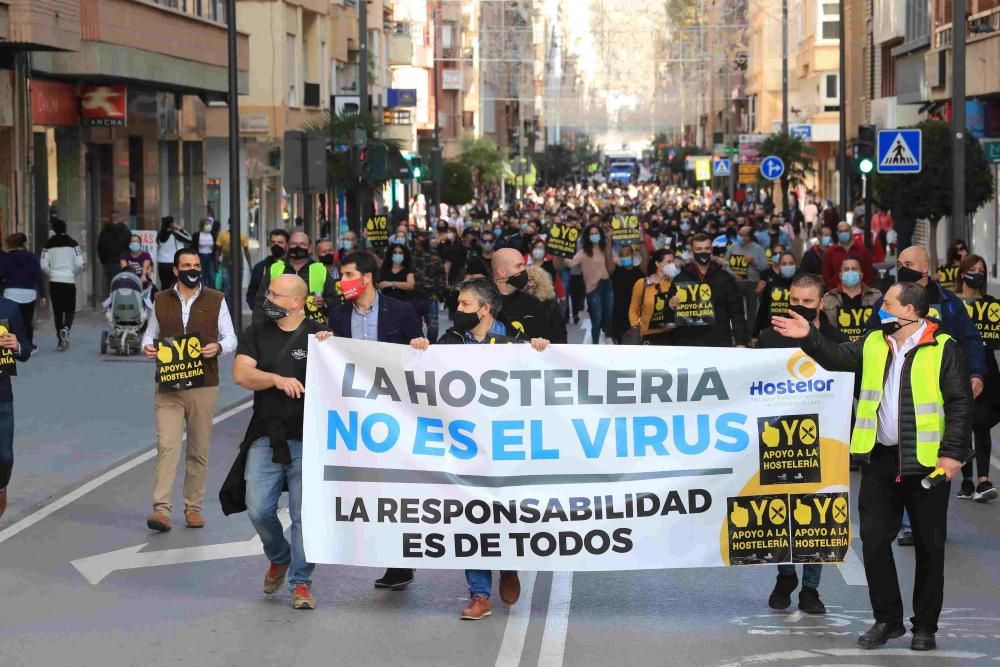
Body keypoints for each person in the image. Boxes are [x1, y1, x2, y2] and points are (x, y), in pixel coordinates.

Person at [772, 282, 973, 652]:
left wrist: (953, 454)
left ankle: (925, 626)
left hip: (927, 464)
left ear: (910, 312)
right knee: (875, 542)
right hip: (880, 460)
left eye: (889, 304)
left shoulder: (944, 348)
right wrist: (809, 336)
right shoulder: (874, 342)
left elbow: (960, 403)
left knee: (930, 547)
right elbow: (836, 357)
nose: (882, 308)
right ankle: (887, 620)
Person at [409, 277, 548, 620]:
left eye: (465, 305)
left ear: (485, 309)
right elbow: (426, 373)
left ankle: (509, 565)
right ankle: (479, 594)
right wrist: (420, 350)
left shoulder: (515, 340)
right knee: (471, 517)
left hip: (506, 446)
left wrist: (542, 349)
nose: (458, 311)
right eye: (458, 305)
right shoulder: (451, 341)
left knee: (507, 513)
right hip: (466, 446)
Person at [232, 274, 330, 610]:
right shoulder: (257, 332)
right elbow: (242, 373)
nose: (267, 299)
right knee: (258, 507)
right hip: (266, 435)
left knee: (304, 516)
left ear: (296, 302)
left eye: (275, 295)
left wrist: (331, 347)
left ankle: (301, 584)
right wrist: (275, 379)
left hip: (309, 439)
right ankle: (279, 555)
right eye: (268, 293)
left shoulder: (320, 335)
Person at [328, 251, 422, 590]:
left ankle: (401, 561)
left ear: (366, 278)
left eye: (348, 274)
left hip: (396, 414)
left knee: (396, 487)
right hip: (356, 416)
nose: (342, 281)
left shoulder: (402, 311)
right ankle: (384, 552)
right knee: (368, 488)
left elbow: (418, 359)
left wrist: (419, 345)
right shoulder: (337, 315)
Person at [758, 273, 848, 615]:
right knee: (777, 513)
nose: (800, 307)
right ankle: (785, 575)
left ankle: (811, 589)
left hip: (824, 440)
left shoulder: (837, 340)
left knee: (818, 518)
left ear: (821, 303)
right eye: (794, 300)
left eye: (808, 302)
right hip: (777, 439)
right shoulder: (768, 338)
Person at [141, 248, 236, 532]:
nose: (192, 269)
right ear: (176, 270)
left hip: (204, 385)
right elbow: (150, 333)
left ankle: (193, 508)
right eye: (186, 265)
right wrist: (146, 347)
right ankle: (161, 511)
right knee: (167, 446)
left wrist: (218, 347)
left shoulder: (216, 299)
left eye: (196, 264)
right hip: (168, 385)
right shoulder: (160, 300)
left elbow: (231, 337)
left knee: (198, 449)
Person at [954, 254, 998, 502]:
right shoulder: (951, 303)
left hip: (986, 370)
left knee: (981, 424)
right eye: (973, 269)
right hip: (958, 368)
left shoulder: (991, 305)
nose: (977, 273)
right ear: (962, 272)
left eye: (981, 270)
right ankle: (968, 480)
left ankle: (983, 480)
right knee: (962, 425)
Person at [669, 233, 748, 348]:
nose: (703, 252)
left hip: (719, 341)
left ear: (711, 249)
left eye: (707, 248)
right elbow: (670, 312)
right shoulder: (681, 278)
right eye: (699, 249)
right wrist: (671, 304)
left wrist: (740, 342)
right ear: (692, 251)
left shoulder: (725, 278)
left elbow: (737, 312)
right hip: (687, 342)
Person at [253, 232, 337, 327]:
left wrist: (324, 303)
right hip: (278, 329)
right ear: (288, 247)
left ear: (310, 248)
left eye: (302, 244)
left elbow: (334, 302)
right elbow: (260, 302)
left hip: (312, 330)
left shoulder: (320, 269)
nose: (298, 247)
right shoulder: (275, 268)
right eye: (294, 244)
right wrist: (257, 331)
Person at [558, 224, 616, 343]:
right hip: (593, 289)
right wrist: (560, 256)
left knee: (609, 315)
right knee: (597, 318)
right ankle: (595, 343)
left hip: (608, 286)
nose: (594, 236)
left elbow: (617, 260)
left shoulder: (606, 248)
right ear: (588, 237)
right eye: (592, 234)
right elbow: (572, 262)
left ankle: (609, 336)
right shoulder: (584, 252)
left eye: (596, 233)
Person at [0, 295, 31, 519]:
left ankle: (1, 487)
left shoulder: (9, 308)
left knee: (4, 457)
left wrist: (17, 345)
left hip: (2, 396)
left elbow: (26, 350)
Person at [493, 247, 560, 341]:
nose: (524, 270)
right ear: (502, 272)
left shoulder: (534, 303)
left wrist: (542, 342)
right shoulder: (484, 302)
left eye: (524, 265)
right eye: (518, 266)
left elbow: (550, 339)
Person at [40, 217, 85, 351]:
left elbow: (43, 265)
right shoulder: (74, 244)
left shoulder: (47, 245)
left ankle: (60, 341)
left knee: (58, 311)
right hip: (69, 280)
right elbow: (79, 264)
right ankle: (66, 328)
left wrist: (52, 272)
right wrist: (72, 273)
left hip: (55, 281)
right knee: (70, 309)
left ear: (54, 229)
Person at [1, 233, 46, 352]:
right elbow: (39, 277)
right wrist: (43, 295)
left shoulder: (6, 257)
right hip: (29, 294)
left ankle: (9, 346)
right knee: (27, 321)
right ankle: (28, 347)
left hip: (10, 293)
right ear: (24, 243)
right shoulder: (32, 257)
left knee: (10, 322)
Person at [821, 257, 882, 342]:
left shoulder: (876, 297)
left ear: (861, 275)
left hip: (868, 346)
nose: (850, 272)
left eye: (854, 269)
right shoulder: (828, 298)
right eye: (846, 269)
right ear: (840, 275)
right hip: (838, 348)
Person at [627, 248, 677, 345]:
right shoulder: (641, 284)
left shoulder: (674, 283)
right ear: (658, 264)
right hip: (648, 335)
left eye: (673, 262)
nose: (672, 265)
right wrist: (636, 327)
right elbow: (633, 308)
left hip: (671, 334)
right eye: (669, 262)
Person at [725, 225, 767, 325]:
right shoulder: (733, 247)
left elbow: (765, 267)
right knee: (736, 309)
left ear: (750, 236)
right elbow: (725, 264)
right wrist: (733, 274)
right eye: (740, 235)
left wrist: (753, 261)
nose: (741, 237)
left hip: (752, 283)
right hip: (736, 283)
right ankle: (738, 332)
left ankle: (750, 334)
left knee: (751, 311)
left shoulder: (758, 249)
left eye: (744, 235)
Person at [753, 252, 797, 341]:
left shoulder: (800, 283)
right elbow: (763, 309)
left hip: (794, 330)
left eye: (791, 263)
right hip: (772, 329)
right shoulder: (771, 283)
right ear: (779, 266)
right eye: (784, 264)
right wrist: (755, 334)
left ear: (796, 265)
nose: (788, 266)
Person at [410, 233, 444, 342]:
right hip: (413, 295)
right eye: (419, 237)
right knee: (414, 327)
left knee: (433, 327)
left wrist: (438, 293)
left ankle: (431, 346)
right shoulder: (410, 254)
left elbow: (441, 275)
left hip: (430, 295)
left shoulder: (434, 254)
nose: (421, 240)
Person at [822, 221, 874, 290]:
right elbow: (826, 274)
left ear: (851, 231)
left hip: (859, 293)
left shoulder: (863, 251)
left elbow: (868, 273)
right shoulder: (830, 252)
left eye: (846, 231)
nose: (843, 233)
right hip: (837, 293)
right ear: (837, 233)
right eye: (841, 231)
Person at [246, 229, 290, 310]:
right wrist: (258, 310)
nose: (276, 245)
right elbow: (252, 293)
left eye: (280, 242)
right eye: (273, 242)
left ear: (287, 245)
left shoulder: (292, 266)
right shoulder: (260, 267)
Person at [611, 244, 645, 343]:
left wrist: (642, 239)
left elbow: (646, 258)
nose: (625, 256)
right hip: (620, 316)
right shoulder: (616, 271)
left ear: (633, 255)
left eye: (627, 254)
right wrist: (608, 240)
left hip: (637, 315)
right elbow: (607, 259)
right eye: (622, 255)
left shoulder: (640, 271)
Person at [524, 265, 566, 344]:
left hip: (547, 346)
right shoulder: (520, 301)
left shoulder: (550, 304)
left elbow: (559, 331)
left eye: (530, 280)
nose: (527, 284)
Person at [98, 210, 131, 291]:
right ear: (120, 219)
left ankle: (111, 302)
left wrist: (104, 261)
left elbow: (100, 248)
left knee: (110, 286)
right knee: (122, 286)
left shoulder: (105, 232)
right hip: (122, 263)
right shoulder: (126, 232)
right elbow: (129, 247)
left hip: (109, 262)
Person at [156, 216, 192, 290]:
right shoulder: (175, 234)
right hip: (173, 262)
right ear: (172, 224)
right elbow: (189, 239)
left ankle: (163, 300)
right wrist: (180, 229)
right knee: (175, 285)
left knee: (164, 284)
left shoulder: (159, 234)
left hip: (162, 263)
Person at [216, 223, 253, 296]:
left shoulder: (242, 236)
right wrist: (217, 263)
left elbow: (246, 251)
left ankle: (236, 303)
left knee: (238, 285)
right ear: (229, 224)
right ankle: (228, 304)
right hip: (226, 262)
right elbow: (218, 250)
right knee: (226, 284)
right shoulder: (222, 235)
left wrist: (250, 265)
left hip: (238, 263)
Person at [194, 218, 217, 287]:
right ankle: (202, 292)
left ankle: (211, 292)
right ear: (202, 225)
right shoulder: (197, 235)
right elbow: (193, 247)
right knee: (202, 276)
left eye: (209, 224)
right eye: (207, 224)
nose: (208, 226)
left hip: (210, 257)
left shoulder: (213, 235)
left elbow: (216, 247)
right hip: (200, 257)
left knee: (212, 277)